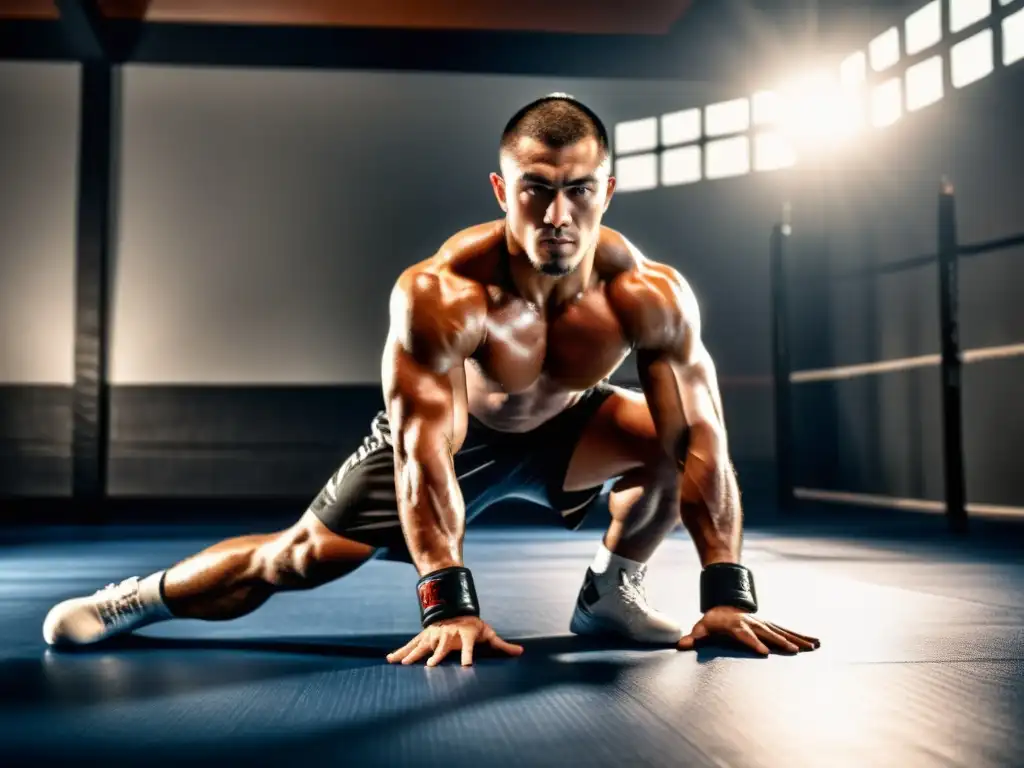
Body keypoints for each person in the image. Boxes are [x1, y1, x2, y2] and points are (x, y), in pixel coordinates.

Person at [43, 93, 819, 666]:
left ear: (606, 191)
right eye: (536, 188)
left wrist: (724, 592)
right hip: (458, 439)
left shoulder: (647, 294)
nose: (557, 214)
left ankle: (611, 594)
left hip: (568, 427)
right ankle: (137, 599)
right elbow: (424, 451)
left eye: (579, 189)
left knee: (669, 438)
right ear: (501, 190)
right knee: (298, 560)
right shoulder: (443, 293)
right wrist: (449, 601)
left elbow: (704, 437)